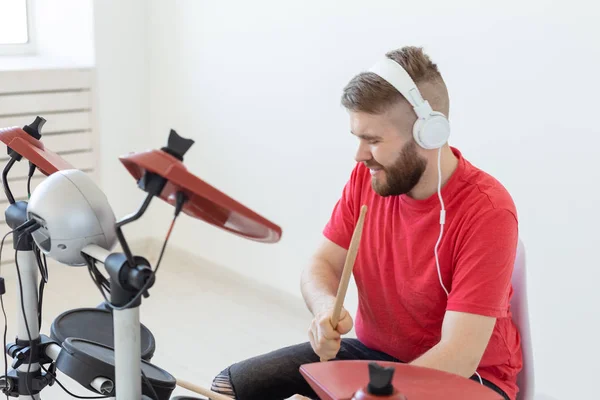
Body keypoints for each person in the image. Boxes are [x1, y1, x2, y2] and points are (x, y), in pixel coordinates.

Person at [210, 46, 522, 400]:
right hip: (378, 360)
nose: (359, 155)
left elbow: (460, 355)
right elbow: (322, 264)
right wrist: (325, 307)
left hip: (467, 380)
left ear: (428, 134)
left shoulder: (488, 210)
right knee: (231, 387)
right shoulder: (368, 177)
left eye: (372, 140)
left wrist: (374, 394)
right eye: (358, 138)